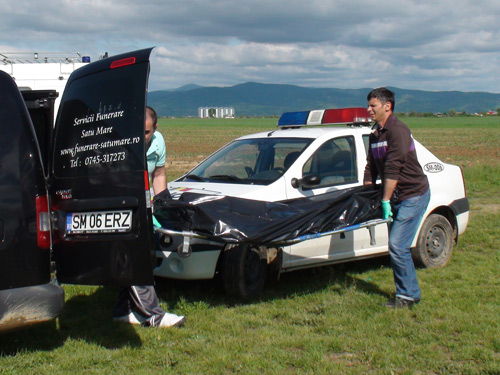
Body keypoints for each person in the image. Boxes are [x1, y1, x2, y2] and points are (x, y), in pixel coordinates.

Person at [112, 106, 186, 327]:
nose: (141, 137)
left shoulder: (158, 142)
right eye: (138, 131)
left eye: (146, 132)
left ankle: (122, 311)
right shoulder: (121, 143)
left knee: (137, 255)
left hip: (145, 204)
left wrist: (161, 205)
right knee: (138, 255)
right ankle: (152, 314)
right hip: (123, 204)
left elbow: (159, 173)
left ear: (155, 128)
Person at [363, 88, 430, 309]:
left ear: (387, 106)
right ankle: (406, 293)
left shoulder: (398, 131)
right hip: (396, 197)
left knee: (397, 246)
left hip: (413, 194)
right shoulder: (376, 133)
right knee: (397, 247)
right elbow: (372, 166)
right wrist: (367, 193)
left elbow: (393, 168)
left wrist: (384, 200)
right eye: (369, 105)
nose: (369, 109)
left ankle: (408, 296)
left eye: (373, 105)